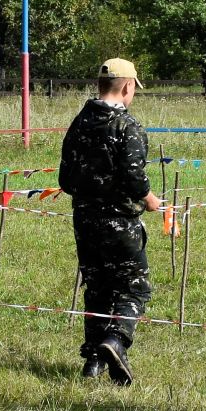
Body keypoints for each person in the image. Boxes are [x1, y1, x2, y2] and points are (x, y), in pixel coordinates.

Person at [58, 58, 161, 385]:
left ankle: (92, 361)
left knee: (97, 287)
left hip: (85, 221)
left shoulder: (79, 123)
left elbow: (65, 180)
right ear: (128, 86)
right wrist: (150, 199)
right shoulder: (127, 126)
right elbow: (133, 177)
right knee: (134, 286)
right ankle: (115, 340)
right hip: (120, 223)